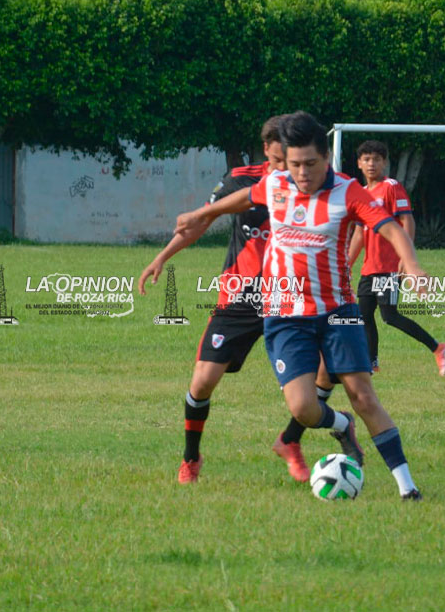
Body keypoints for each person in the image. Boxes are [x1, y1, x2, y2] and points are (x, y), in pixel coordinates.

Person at [176, 111, 427, 500]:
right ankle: (341, 425)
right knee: (304, 409)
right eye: (294, 164)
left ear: (326, 157)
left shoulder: (349, 191)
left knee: (363, 394)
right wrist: (200, 213)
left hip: (338, 311)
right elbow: (243, 197)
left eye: (310, 164)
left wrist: (411, 265)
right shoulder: (276, 183)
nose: (302, 173)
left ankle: (407, 488)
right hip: (286, 316)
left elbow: (391, 227)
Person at [138, 116, 313, 485]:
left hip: (290, 296)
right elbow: (202, 221)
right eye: (281, 161)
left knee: (322, 376)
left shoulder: (307, 182)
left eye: (293, 161)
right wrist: (162, 257)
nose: (288, 169)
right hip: (241, 296)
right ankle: (191, 457)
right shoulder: (242, 180)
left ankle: (290, 441)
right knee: (202, 382)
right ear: (266, 149)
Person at [349, 140, 445, 376]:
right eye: (366, 159)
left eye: (376, 159)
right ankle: (371, 363)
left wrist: (406, 260)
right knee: (363, 315)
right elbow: (358, 233)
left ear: (384, 162)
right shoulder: (360, 194)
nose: (371, 163)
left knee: (389, 316)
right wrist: (346, 265)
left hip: (389, 266)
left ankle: (439, 348)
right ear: (359, 164)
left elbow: (407, 221)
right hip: (369, 267)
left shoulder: (391, 187)